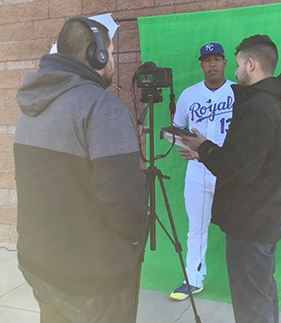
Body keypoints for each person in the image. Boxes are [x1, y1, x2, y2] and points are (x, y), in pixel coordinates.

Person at [14, 17, 148, 323]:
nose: (112, 60)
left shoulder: (29, 104)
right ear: (96, 55)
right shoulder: (103, 108)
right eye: (111, 53)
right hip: (90, 280)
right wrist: (134, 238)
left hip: (38, 265)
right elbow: (126, 202)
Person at [182, 35, 281, 322]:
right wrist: (206, 153)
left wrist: (205, 148)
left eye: (236, 65)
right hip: (261, 217)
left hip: (252, 222)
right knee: (260, 292)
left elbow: (240, 168)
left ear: (251, 64)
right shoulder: (267, 101)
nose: (234, 72)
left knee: (251, 303)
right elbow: (249, 159)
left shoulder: (259, 105)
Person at [170, 42, 235, 300]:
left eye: (217, 59)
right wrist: (180, 142)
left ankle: (242, 279)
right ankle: (193, 278)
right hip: (197, 170)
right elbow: (176, 128)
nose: (212, 64)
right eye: (207, 60)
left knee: (238, 225)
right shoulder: (188, 95)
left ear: (225, 63)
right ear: (201, 64)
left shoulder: (237, 92)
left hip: (229, 169)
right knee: (196, 226)